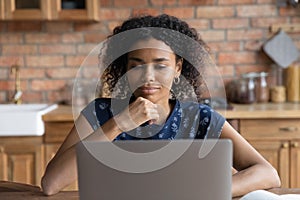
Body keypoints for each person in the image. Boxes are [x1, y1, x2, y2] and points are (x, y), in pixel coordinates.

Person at [41, 14, 281, 197]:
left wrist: (204, 191)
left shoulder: (198, 118)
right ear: (124, 68)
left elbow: (268, 173)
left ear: (178, 68)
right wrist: (118, 124)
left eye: (160, 65)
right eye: (136, 65)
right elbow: (51, 184)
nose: (148, 76)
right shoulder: (99, 113)